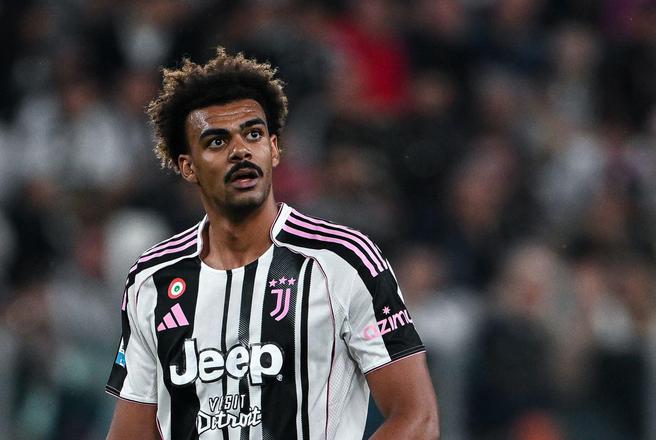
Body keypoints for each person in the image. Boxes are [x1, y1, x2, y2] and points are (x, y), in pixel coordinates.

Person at [105, 47, 439, 440]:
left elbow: (417, 418)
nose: (240, 150)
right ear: (187, 166)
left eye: (253, 134)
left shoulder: (343, 260)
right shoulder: (152, 280)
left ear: (274, 149)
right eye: (217, 141)